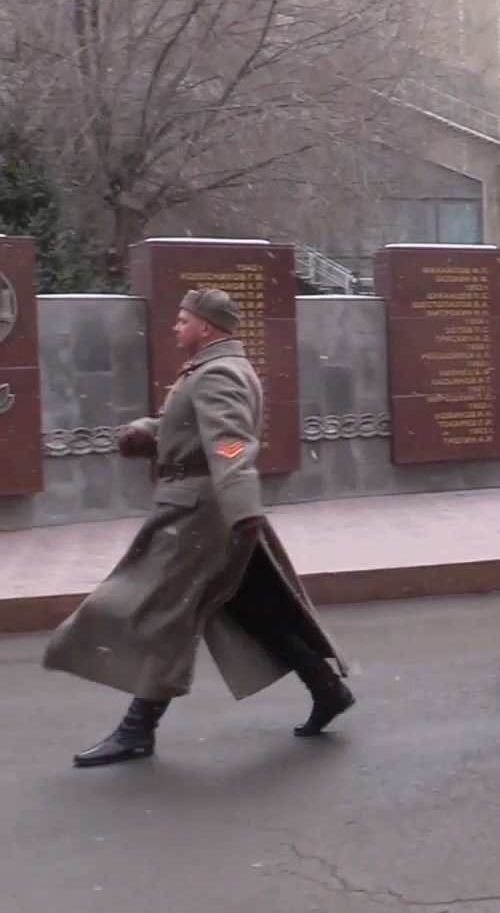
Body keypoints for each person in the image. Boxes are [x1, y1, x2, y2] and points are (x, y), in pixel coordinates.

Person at [45, 289, 351, 767]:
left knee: (165, 611)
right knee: (253, 608)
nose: (175, 327)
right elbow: (192, 427)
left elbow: (230, 445)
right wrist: (148, 433)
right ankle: (326, 687)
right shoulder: (211, 371)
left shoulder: (219, 374)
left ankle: (137, 728)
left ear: (207, 327)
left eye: (183, 320)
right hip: (206, 509)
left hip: (202, 515)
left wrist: (242, 511)